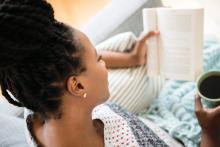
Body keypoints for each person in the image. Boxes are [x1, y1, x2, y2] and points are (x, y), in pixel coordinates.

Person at [0, 0, 171, 147]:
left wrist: (131, 58)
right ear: (78, 85)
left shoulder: (35, 104)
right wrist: (200, 132)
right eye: (98, 59)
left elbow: (66, 64)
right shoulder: (126, 139)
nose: (103, 62)